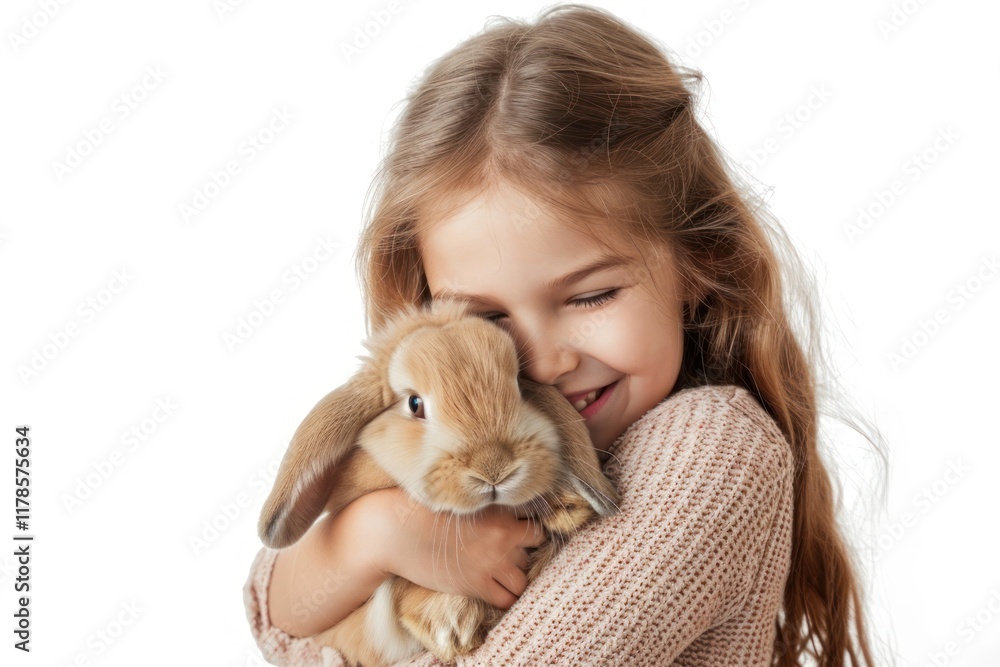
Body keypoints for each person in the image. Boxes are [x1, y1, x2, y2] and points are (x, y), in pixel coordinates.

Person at [243, 4, 886, 665]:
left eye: (591, 296)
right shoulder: (462, 440)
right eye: (485, 319)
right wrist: (379, 532)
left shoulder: (713, 452)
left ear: (700, 260)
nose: (545, 364)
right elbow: (275, 603)